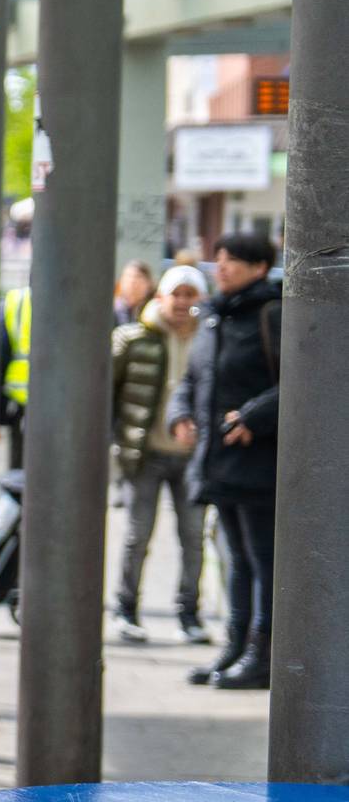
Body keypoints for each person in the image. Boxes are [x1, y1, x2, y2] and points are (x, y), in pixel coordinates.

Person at [172, 232, 281, 690]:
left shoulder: (274, 315)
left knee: (263, 561)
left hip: (260, 460)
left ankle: (263, 654)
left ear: (260, 267)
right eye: (220, 258)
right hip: (220, 459)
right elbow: (195, 377)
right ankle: (235, 648)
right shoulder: (216, 317)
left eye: (234, 259)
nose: (223, 267)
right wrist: (179, 412)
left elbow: (306, 379)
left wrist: (256, 416)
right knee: (235, 557)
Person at [109, 266, 208, 647]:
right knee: (137, 535)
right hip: (145, 454)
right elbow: (109, 395)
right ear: (160, 296)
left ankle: (190, 613)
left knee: (194, 538)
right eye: (176, 294)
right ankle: (126, 608)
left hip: (193, 458)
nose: (183, 302)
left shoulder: (209, 339)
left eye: (190, 294)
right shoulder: (133, 338)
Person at [0, 284, 31, 471]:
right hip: (52, 400)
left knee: (18, 463)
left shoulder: (15, 301)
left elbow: (1, 351)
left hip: (18, 396)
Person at [112, 260, 157, 331]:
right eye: (128, 276)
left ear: (149, 284)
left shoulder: (155, 312)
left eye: (138, 277)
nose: (132, 281)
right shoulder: (113, 310)